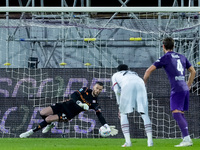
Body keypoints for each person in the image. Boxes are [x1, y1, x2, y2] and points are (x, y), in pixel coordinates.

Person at [143, 37, 196, 147]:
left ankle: (187, 139)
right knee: (180, 113)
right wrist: (189, 84)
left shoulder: (165, 57)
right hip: (184, 88)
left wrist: (143, 85)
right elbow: (193, 71)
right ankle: (186, 138)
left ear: (163, 47)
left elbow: (148, 71)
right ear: (174, 46)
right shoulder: (182, 57)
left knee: (176, 113)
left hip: (177, 89)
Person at [20, 81, 118, 138]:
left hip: (69, 113)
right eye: (97, 88)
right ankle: (51, 125)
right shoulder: (85, 90)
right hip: (63, 105)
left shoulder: (95, 103)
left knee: (48, 119)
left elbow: (99, 115)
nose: (98, 91)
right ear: (94, 87)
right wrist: (79, 103)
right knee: (43, 113)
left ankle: (30, 132)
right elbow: (73, 95)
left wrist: (106, 126)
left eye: (100, 89)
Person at [112, 64, 153, 147]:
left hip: (127, 85)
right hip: (141, 84)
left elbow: (116, 91)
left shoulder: (115, 75)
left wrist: (120, 105)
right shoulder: (134, 73)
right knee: (144, 114)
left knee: (123, 114)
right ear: (127, 69)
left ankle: (128, 142)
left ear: (118, 70)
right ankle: (150, 142)